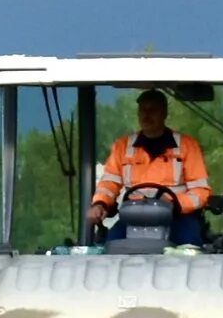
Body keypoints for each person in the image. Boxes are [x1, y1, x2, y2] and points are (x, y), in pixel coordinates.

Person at [90, 88, 213, 246]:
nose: (146, 115)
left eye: (152, 110)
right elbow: (108, 184)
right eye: (143, 110)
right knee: (112, 243)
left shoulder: (187, 146)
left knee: (189, 246)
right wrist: (100, 204)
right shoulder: (122, 147)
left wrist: (174, 204)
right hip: (133, 218)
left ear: (164, 113)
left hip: (177, 218)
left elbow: (201, 191)